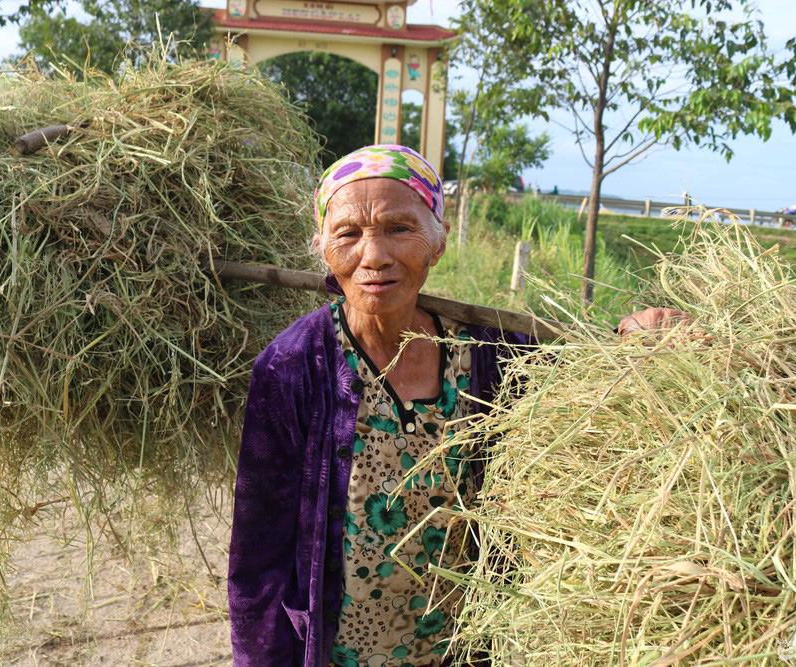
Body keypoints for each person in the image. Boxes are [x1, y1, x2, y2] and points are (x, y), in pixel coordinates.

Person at [227, 144, 689, 667]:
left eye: (400, 229)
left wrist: (632, 337)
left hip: (462, 647)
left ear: (438, 243)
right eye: (348, 233)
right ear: (323, 250)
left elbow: (582, 381)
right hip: (335, 652)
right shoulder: (291, 368)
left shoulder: (493, 353)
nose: (374, 255)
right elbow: (257, 559)